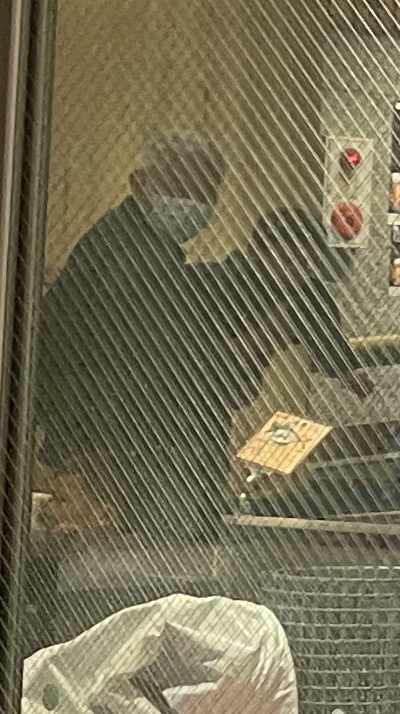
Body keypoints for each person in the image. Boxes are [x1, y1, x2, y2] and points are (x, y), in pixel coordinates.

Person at [35, 131, 363, 542]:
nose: (193, 204)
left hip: (129, 462)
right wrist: (273, 332)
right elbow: (189, 379)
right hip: (127, 468)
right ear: (140, 183)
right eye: (180, 189)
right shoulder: (129, 263)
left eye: (206, 195)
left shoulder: (144, 251)